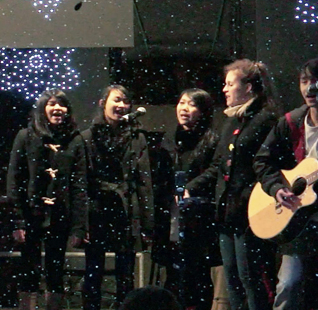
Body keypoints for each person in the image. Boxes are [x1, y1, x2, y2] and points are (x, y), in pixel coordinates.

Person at [185, 59, 278, 310]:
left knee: (251, 278)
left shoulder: (266, 120)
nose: (224, 89)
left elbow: (267, 166)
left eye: (230, 84)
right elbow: (218, 165)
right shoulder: (231, 121)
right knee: (233, 278)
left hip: (252, 212)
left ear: (248, 87)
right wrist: (192, 186)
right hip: (228, 212)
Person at [7, 88, 88, 310]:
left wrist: (79, 227)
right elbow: (15, 180)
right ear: (43, 108)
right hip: (31, 213)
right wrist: (18, 221)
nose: (57, 108)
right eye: (52, 103)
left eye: (62, 104)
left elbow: (79, 186)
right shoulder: (26, 136)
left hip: (59, 215)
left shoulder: (75, 140)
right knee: (28, 270)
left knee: (56, 269)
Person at [254, 58, 318, 310]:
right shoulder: (291, 122)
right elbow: (262, 161)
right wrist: (276, 188)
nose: (309, 89)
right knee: (289, 285)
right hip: (299, 222)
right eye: (304, 82)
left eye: (315, 81)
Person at [81, 84, 153, 310]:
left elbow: (144, 182)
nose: (121, 106)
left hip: (126, 211)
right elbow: (81, 183)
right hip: (97, 210)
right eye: (116, 100)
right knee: (93, 272)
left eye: (125, 101)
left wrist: (147, 223)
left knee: (126, 274)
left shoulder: (137, 137)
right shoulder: (87, 137)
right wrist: (80, 224)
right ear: (103, 104)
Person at [153, 89, 220, 310]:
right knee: (172, 272)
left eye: (191, 105)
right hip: (171, 212)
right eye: (181, 103)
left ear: (203, 111)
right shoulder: (168, 139)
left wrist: (190, 188)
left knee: (198, 273)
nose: (184, 108)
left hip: (198, 216)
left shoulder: (212, 140)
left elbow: (215, 170)